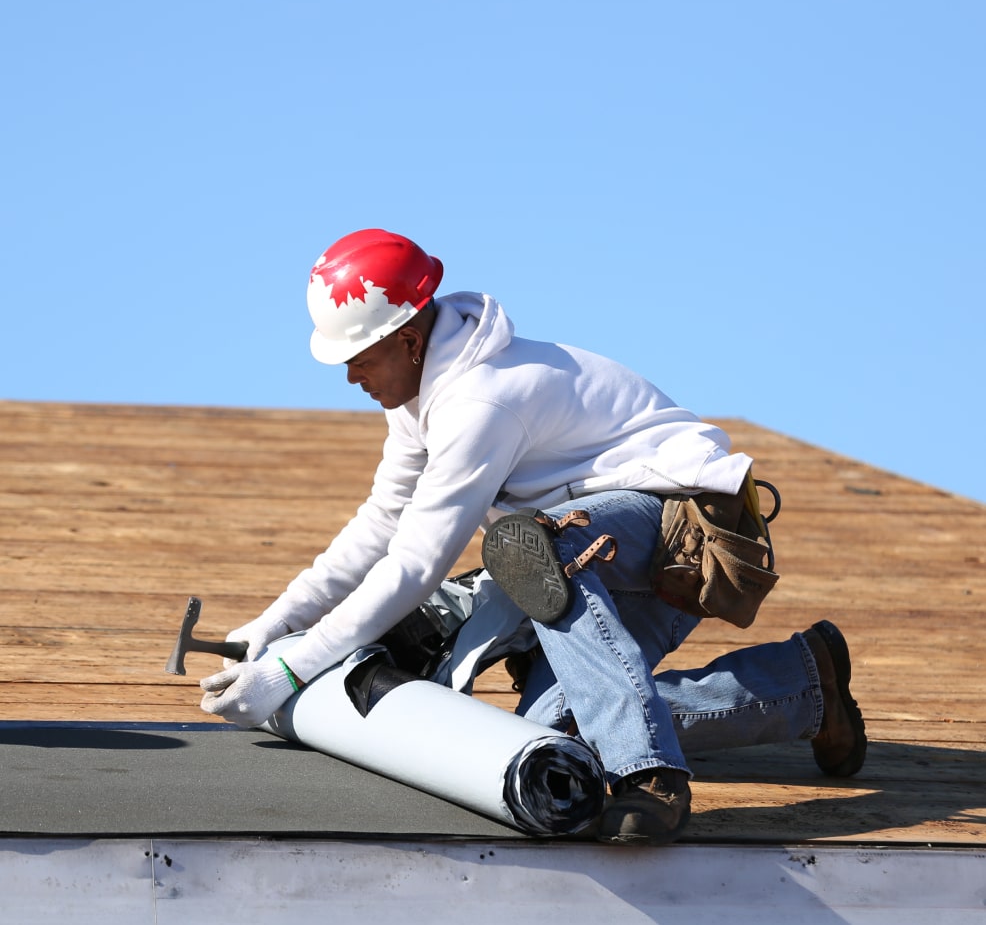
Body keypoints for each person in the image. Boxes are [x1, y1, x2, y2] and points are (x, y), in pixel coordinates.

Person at [200, 227, 866, 845]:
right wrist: (277, 622)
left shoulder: (481, 401)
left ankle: (651, 778)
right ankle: (805, 683)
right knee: (552, 743)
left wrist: (290, 669)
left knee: (533, 546)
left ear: (406, 338)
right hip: (595, 554)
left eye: (359, 357)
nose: (351, 376)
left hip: (686, 530)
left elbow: (415, 564)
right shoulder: (421, 398)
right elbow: (381, 522)